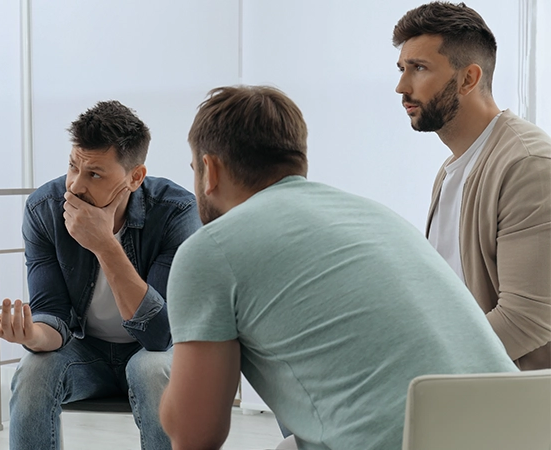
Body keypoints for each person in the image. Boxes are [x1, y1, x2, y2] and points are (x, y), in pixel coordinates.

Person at [159, 85, 518, 450]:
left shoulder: (212, 249)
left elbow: (194, 435)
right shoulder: (373, 215)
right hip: (523, 429)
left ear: (210, 169)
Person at [0, 100, 201, 449]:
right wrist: (30, 335)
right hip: (86, 354)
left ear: (135, 177)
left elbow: (159, 335)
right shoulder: (44, 208)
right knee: (35, 370)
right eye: (73, 167)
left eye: (94, 174)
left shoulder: (177, 212)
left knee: (150, 370)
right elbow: (54, 314)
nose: (75, 186)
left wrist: (105, 245)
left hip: (155, 352)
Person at [393, 1, 551, 370]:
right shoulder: (452, 169)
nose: (401, 86)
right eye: (402, 69)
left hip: (506, 401)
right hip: (465, 385)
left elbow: (528, 319)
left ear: (468, 78)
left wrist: (415, 366)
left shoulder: (528, 166)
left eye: (418, 68)